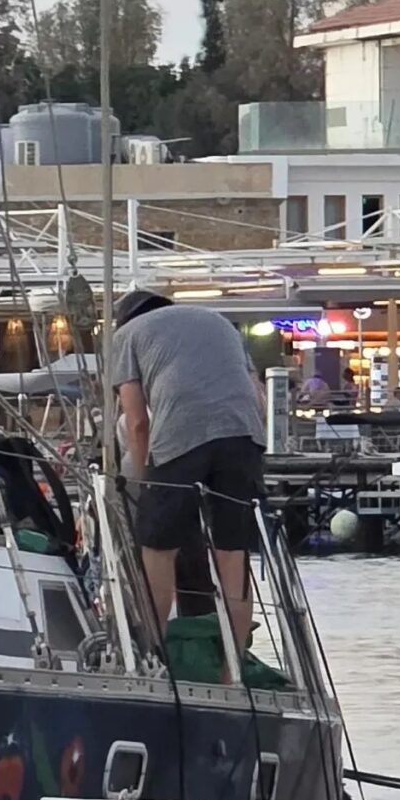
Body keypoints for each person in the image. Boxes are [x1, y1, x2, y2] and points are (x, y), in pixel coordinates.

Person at [110, 288, 267, 677]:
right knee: (232, 554)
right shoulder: (220, 324)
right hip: (244, 435)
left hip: (179, 438)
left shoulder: (126, 336)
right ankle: (233, 669)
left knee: (157, 549)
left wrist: (145, 479)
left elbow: (137, 421)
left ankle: (153, 656)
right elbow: (257, 396)